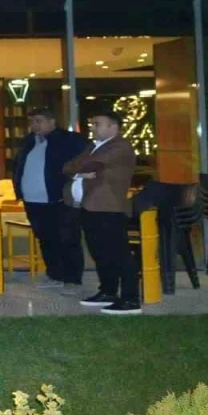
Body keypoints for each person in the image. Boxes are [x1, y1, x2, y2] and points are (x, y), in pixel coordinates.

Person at [64, 109, 139, 315]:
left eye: (97, 124)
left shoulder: (120, 146)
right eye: (92, 123)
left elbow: (91, 165)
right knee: (100, 253)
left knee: (119, 253)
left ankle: (131, 299)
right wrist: (80, 172)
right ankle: (108, 291)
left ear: (113, 127)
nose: (92, 127)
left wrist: (79, 169)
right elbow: (67, 167)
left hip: (109, 208)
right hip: (90, 207)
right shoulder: (94, 146)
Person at [12, 107, 88, 290]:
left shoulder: (69, 140)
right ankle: (54, 275)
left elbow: (88, 158)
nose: (34, 125)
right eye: (32, 122)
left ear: (52, 121)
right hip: (33, 200)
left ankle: (72, 279)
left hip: (60, 199)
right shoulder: (28, 142)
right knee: (46, 239)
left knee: (67, 238)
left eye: (39, 121)